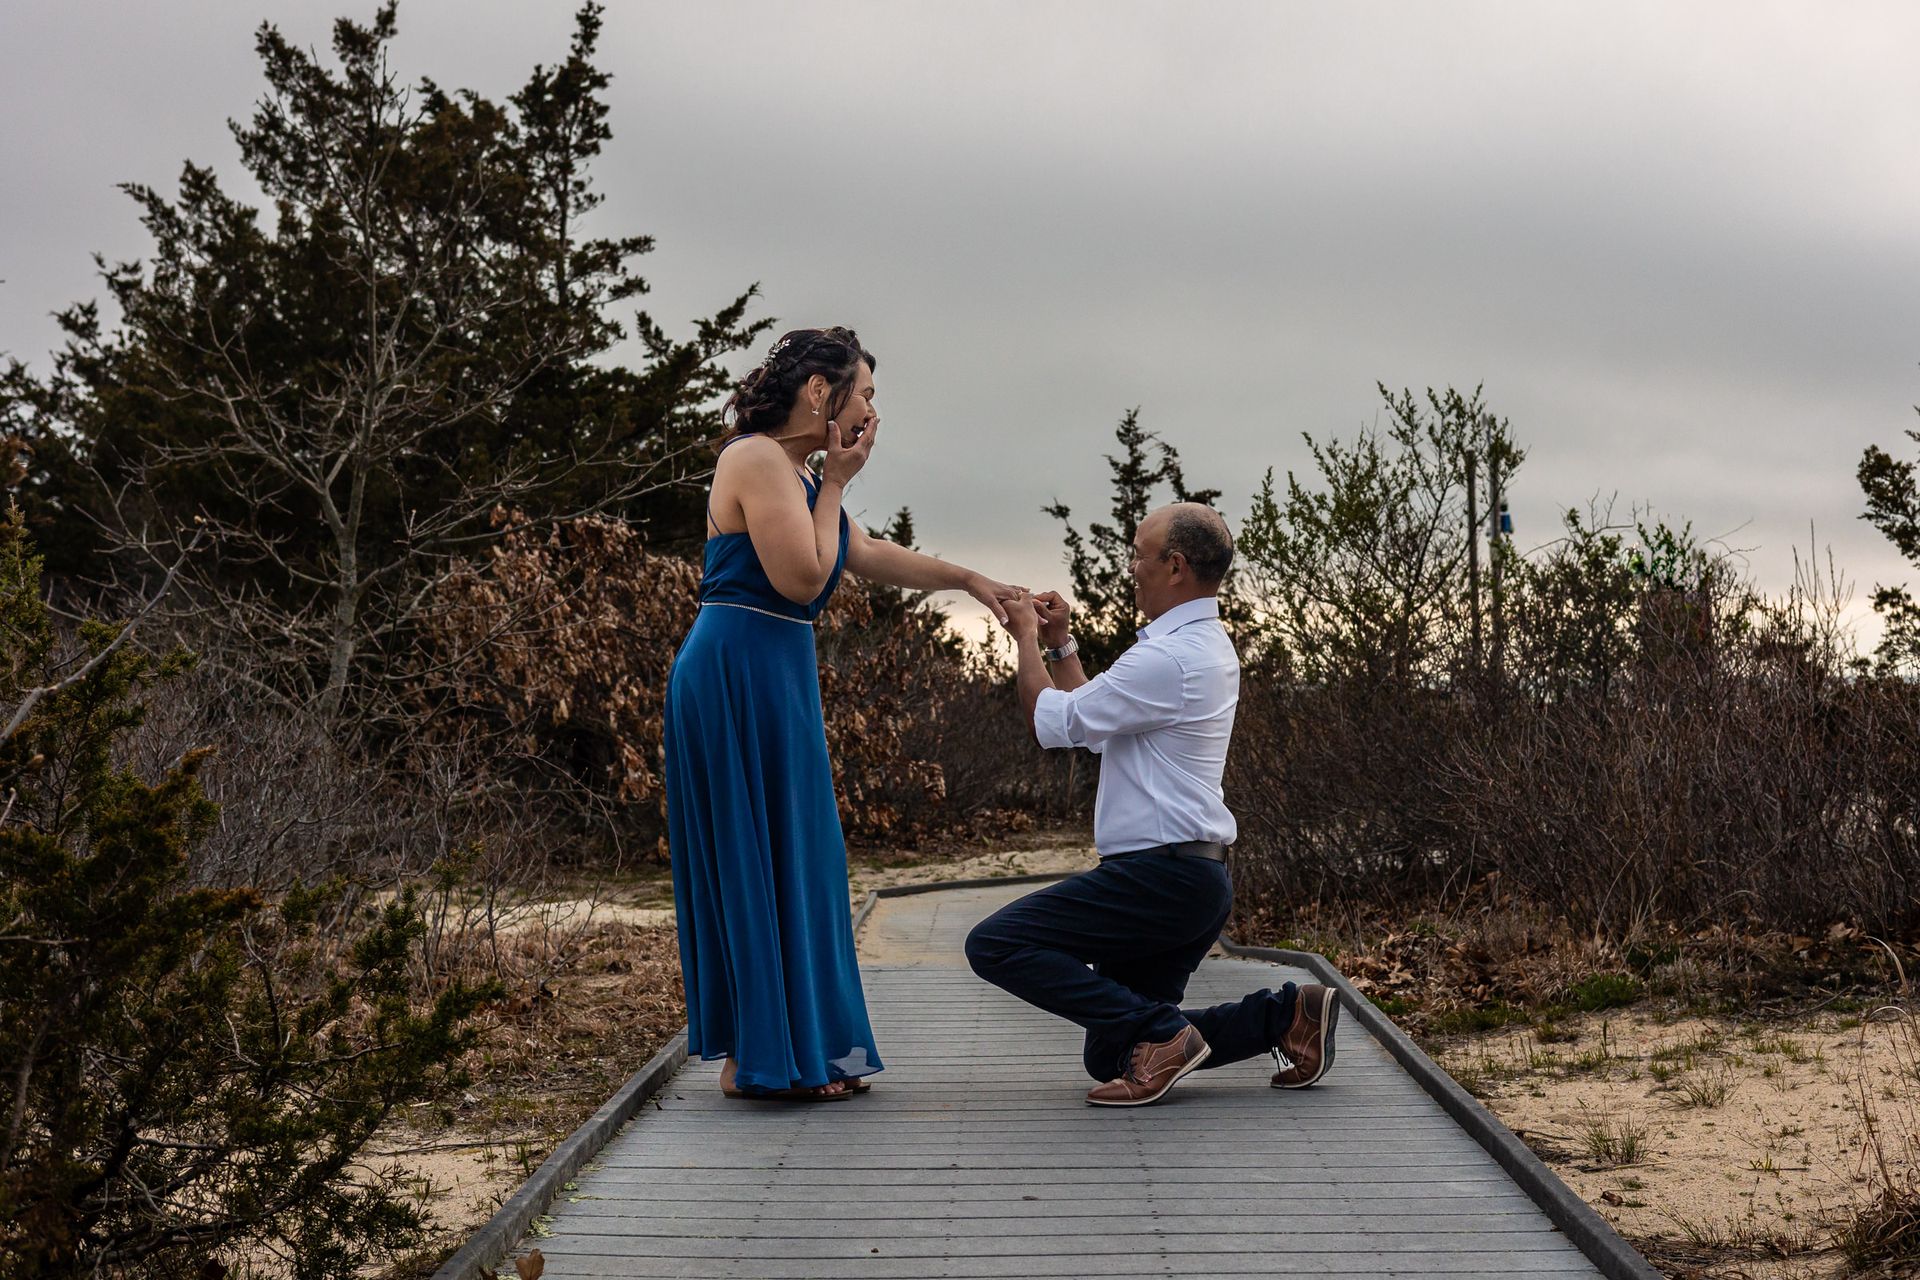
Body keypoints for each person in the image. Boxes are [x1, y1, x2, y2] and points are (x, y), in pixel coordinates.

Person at [666, 327, 1023, 1102]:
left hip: (775, 672)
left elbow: (864, 554)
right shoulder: (756, 458)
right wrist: (835, 482)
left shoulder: (794, 473)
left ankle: (807, 1049)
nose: (870, 412)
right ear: (822, 393)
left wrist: (968, 579)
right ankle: (757, 1060)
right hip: (735, 671)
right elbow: (801, 576)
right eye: (864, 393)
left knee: (803, 858)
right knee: (758, 856)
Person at [965, 502, 1338, 1106]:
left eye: (1139, 554)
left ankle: (1167, 1033)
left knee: (995, 943)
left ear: (1175, 566)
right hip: (1194, 876)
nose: (1131, 568)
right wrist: (1061, 646)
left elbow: (1051, 722)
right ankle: (1286, 1016)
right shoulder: (1199, 647)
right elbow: (1094, 724)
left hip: (1158, 878)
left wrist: (1026, 640)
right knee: (1111, 1051)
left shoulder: (1167, 658)